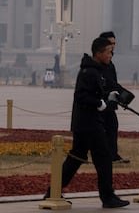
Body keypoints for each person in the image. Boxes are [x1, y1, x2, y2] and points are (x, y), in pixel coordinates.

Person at [43, 37, 129, 208]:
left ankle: (52, 192)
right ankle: (108, 197)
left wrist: (108, 97)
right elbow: (81, 96)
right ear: (98, 53)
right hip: (89, 124)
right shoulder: (89, 72)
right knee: (103, 158)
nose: (111, 55)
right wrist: (100, 103)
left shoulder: (96, 70)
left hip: (85, 123)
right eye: (108, 52)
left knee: (76, 157)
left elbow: (95, 91)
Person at [99, 31, 129, 164]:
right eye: (111, 43)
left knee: (112, 126)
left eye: (114, 43)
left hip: (110, 103)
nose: (113, 46)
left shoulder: (110, 63)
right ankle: (108, 156)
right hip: (100, 103)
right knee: (103, 130)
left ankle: (112, 155)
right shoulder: (99, 64)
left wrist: (122, 94)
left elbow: (113, 83)